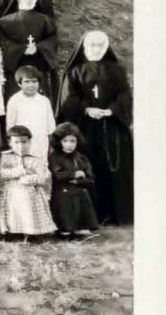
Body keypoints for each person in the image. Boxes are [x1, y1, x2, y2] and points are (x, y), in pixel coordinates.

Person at [57, 30, 133, 225]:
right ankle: (90, 215)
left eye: (101, 45)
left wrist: (111, 111)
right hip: (85, 127)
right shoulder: (75, 71)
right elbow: (69, 98)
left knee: (112, 168)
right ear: (84, 47)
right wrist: (86, 109)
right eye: (93, 45)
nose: (97, 49)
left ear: (106, 47)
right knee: (89, 167)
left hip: (111, 128)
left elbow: (124, 94)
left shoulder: (117, 70)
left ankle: (116, 214)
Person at [0, 0, 58, 102]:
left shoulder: (45, 20)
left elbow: (53, 39)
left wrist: (39, 47)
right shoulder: (5, 22)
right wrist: (21, 49)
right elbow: (2, 42)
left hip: (38, 63)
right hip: (15, 65)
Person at [0, 125, 56, 237]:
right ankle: (13, 230)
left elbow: (43, 177)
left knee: (28, 206)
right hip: (13, 190)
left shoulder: (35, 159)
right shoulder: (6, 157)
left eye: (24, 142)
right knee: (14, 209)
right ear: (10, 143)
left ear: (29, 142)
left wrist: (29, 179)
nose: (21, 146)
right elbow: (3, 173)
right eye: (17, 142)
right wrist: (20, 171)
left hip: (31, 191)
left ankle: (30, 231)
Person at [48, 122, 100, 238]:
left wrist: (78, 181)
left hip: (79, 191)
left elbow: (90, 178)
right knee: (65, 200)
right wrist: (75, 173)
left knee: (82, 196)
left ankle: (81, 226)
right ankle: (65, 227)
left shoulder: (81, 158)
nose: (69, 145)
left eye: (72, 141)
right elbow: (57, 175)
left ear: (77, 142)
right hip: (63, 193)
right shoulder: (54, 157)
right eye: (65, 141)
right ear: (59, 141)